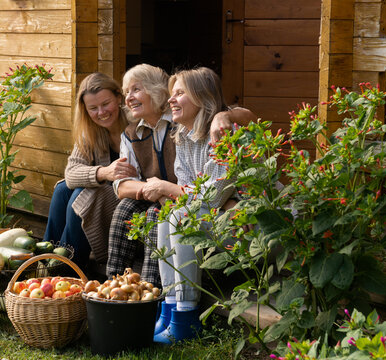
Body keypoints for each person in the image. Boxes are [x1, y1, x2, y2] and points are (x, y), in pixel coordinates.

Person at [106, 64, 256, 286]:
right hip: (180, 198)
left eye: (135, 90)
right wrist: (156, 189)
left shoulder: (182, 122)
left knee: (161, 215)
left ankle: (154, 290)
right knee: (126, 209)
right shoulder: (139, 132)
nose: (128, 98)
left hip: (199, 204)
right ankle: (113, 284)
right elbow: (121, 186)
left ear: (154, 90)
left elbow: (248, 117)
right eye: (126, 92)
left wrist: (224, 114)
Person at [150, 67, 237, 343]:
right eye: (171, 94)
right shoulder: (185, 138)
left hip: (247, 225)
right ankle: (171, 308)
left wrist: (168, 188)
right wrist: (179, 194)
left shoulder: (224, 134)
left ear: (203, 97)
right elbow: (189, 195)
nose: (171, 100)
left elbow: (211, 196)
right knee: (168, 215)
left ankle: (187, 315)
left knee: (180, 216)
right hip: (215, 218)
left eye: (180, 93)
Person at [43, 72, 138, 268]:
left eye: (106, 104)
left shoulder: (134, 122)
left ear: (119, 98)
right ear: (85, 109)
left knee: (82, 194)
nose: (101, 112)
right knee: (63, 190)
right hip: (105, 196)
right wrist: (104, 172)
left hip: (129, 201)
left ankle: (69, 266)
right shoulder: (91, 130)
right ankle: (43, 258)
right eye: (93, 108)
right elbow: (70, 174)